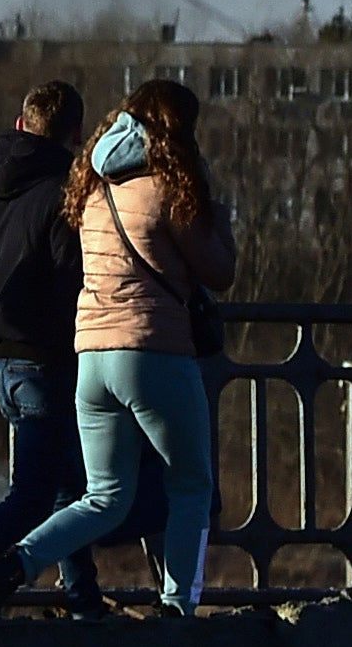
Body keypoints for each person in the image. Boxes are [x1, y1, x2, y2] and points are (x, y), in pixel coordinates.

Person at [0, 78, 155, 620]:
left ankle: (83, 602)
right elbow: (76, 282)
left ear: (21, 124)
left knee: (70, 485)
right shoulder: (63, 196)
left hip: (3, 364)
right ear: (74, 136)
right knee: (36, 494)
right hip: (48, 361)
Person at [14, 77, 238, 619]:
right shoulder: (168, 185)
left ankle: (13, 563)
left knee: (104, 496)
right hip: (153, 351)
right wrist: (219, 216)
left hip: (91, 356)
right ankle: (176, 605)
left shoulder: (92, 185)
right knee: (191, 485)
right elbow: (220, 270)